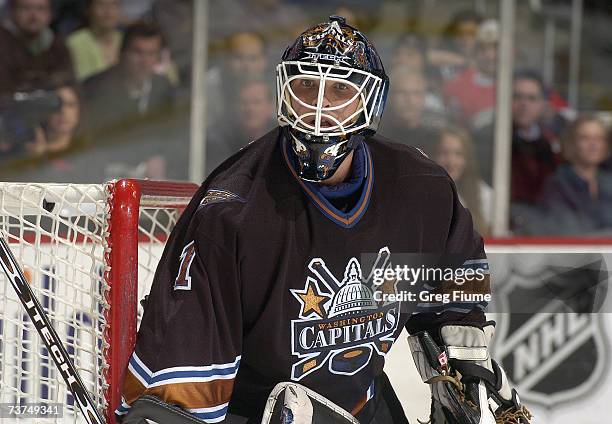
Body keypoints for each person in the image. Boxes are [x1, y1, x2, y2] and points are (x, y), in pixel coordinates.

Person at [117, 16, 532, 424]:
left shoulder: (420, 189)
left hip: (361, 405)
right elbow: (179, 388)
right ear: (284, 92)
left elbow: (454, 285)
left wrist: (461, 357)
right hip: (256, 411)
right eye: (305, 86)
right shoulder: (231, 212)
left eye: (338, 90)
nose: (318, 106)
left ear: (369, 102)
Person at [82, 19, 174, 138]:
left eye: (151, 54)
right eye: (138, 53)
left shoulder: (163, 87)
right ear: (122, 53)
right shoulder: (95, 89)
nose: (144, 62)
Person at [536, 115, 612, 235]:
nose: (593, 144)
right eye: (585, 138)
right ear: (571, 143)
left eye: (599, 138)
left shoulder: (608, 181)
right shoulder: (557, 185)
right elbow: (569, 232)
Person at [0, 0, 74, 96]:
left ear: (50, 14)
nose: (34, 16)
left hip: (50, 107)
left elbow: (69, 85)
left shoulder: (57, 47)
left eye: (41, 9)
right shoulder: (3, 43)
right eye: (26, 8)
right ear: (12, 11)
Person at [434, 126, 492, 236]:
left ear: (467, 159)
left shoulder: (483, 194)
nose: (451, 161)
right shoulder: (423, 192)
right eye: (444, 153)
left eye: (458, 154)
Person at [443, 19, 498, 131]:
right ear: (474, 51)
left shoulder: (521, 85)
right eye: (482, 48)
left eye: (496, 48)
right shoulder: (456, 85)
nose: (490, 55)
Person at [382, 68, 444, 156]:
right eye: (402, 92)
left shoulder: (437, 138)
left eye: (416, 93)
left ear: (424, 98)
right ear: (390, 96)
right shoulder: (377, 135)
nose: (409, 100)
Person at [66, 0, 123, 81]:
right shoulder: (74, 43)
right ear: (88, 10)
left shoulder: (126, 41)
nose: (108, 12)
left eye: (114, 5)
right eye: (101, 5)